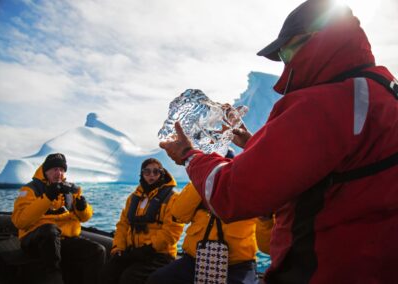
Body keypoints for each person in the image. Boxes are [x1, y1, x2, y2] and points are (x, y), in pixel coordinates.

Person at [159, 0, 398, 283]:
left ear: (312, 40)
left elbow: (232, 194)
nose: (285, 62)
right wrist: (253, 145)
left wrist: (189, 154)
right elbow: (334, 163)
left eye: (285, 52)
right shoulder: (380, 93)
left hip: (321, 270)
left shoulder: (323, 103)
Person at [147, 150, 259, 284]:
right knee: (157, 279)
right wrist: (202, 182)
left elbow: (267, 238)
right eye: (214, 167)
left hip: (238, 265)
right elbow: (178, 214)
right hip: (194, 260)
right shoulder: (197, 185)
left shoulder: (248, 191)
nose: (219, 172)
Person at [11, 153, 106, 284]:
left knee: (97, 251)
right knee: (50, 230)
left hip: (61, 239)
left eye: (61, 170)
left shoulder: (69, 190)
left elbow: (84, 218)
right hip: (35, 240)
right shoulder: (30, 190)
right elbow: (20, 221)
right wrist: (48, 197)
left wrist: (83, 208)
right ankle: (54, 278)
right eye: (55, 169)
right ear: (46, 171)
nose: (59, 173)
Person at [100, 158, 184, 284]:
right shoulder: (134, 198)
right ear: (142, 174)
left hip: (160, 254)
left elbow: (172, 232)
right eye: (147, 172)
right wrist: (118, 248)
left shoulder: (173, 199)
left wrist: (149, 248)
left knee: (130, 277)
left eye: (156, 172)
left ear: (162, 174)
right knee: (108, 271)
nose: (151, 175)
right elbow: (123, 225)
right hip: (135, 252)